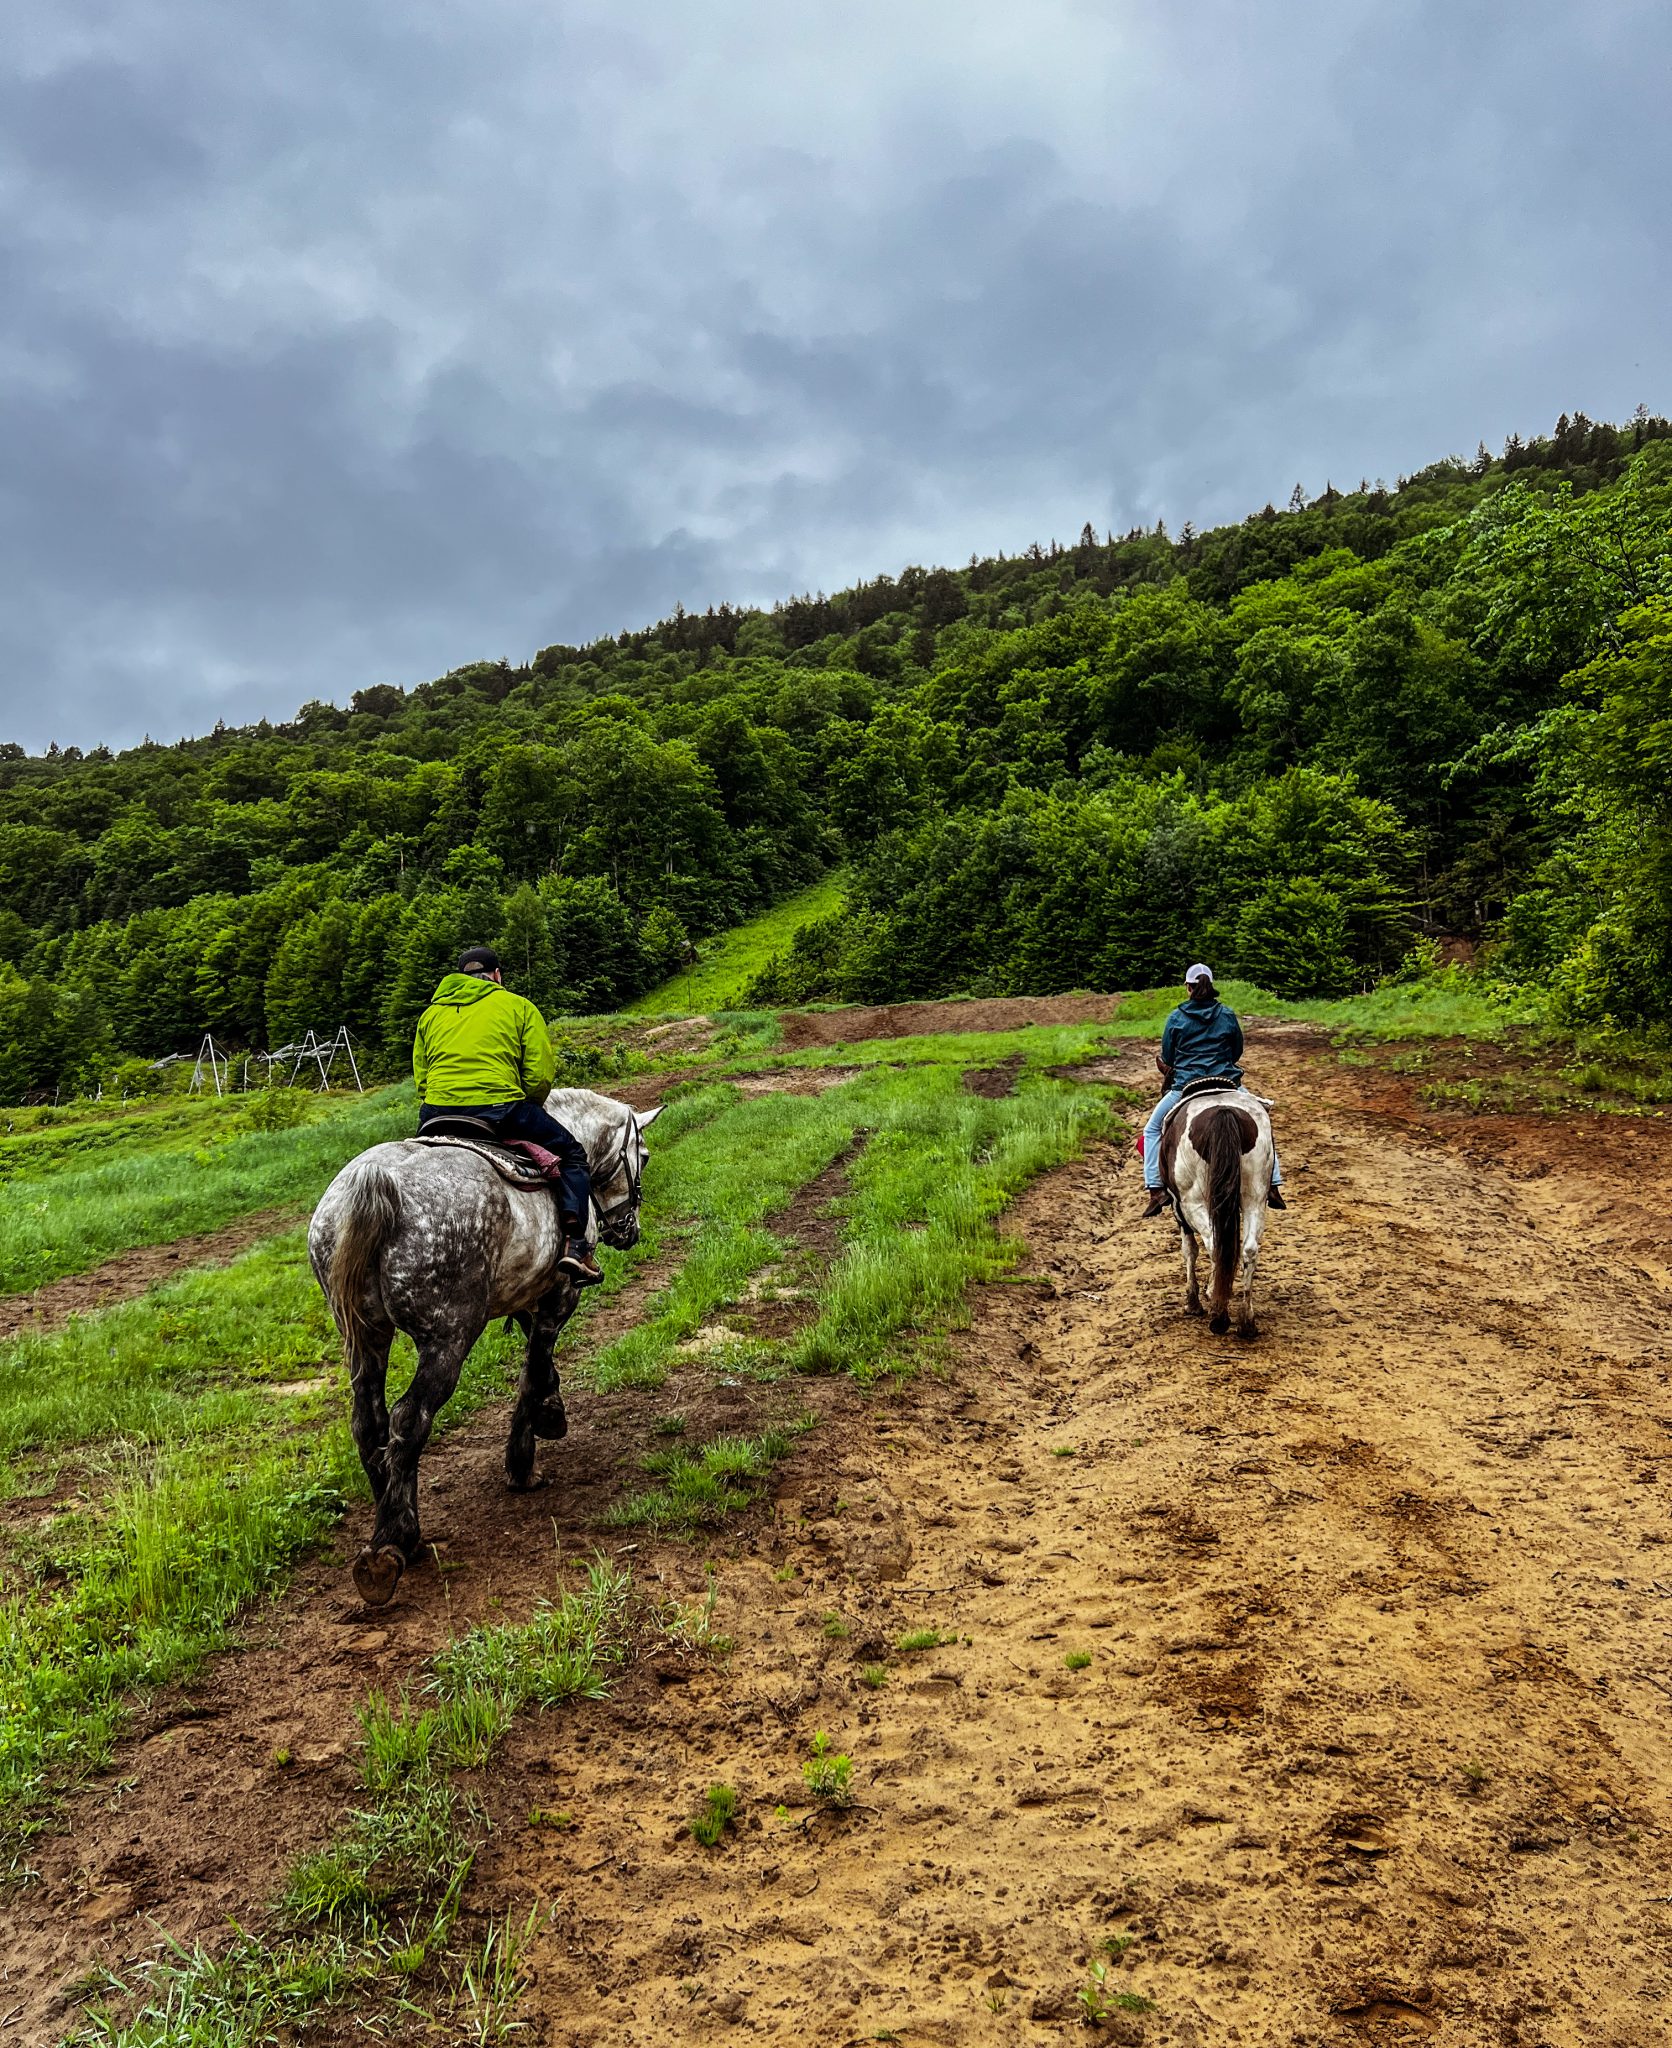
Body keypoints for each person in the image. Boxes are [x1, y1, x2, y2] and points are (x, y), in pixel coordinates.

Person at [413, 946, 603, 1284]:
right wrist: (527, 1104)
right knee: (573, 1155)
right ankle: (577, 1246)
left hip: (436, 1114)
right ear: (497, 974)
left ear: (458, 977)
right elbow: (540, 1074)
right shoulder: (519, 1007)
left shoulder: (429, 1015)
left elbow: (422, 1078)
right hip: (498, 1109)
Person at [1140, 964, 1284, 1217]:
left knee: (1151, 1129)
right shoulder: (1226, 1014)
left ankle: (1155, 1189)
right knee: (1262, 1118)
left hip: (1186, 1084)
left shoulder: (1176, 1017)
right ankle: (1272, 1183)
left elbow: (1168, 1056)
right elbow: (1237, 1050)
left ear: (1188, 987)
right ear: (1211, 985)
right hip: (1227, 1081)